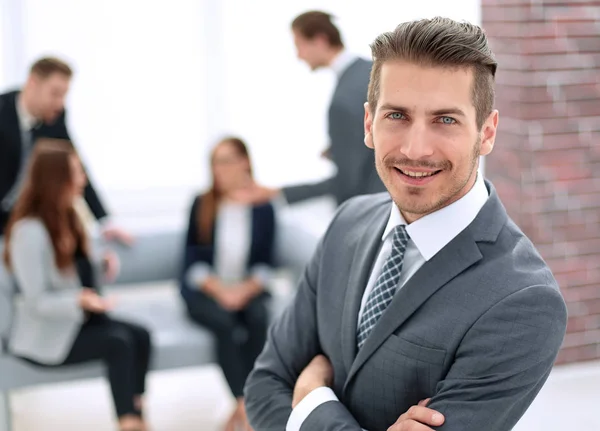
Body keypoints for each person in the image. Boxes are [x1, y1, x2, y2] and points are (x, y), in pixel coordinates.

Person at [244, 17, 567, 431]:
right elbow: (264, 385)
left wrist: (310, 403)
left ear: (486, 133)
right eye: (396, 115)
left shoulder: (524, 300)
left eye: (446, 120)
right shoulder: (348, 223)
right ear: (369, 124)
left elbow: (288, 393)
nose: (416, 149)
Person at [3, 139, 151, 431]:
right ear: (56, 179)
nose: (83, 180)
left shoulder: (68, 216)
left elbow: (74, 271)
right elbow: (37, 302)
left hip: (80, 321)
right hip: (48, 335)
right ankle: (129, 423)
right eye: (77, 173)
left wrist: (100, 264)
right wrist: (80, 301)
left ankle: (136, 412)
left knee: (141, 336)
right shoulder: (28, 232)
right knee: (118, 343)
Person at [237, 10, 385, 207]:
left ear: (320, 40)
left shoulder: (343, 100)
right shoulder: (374, 70)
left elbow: (347, 182)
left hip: (372, 208)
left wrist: (278, 193)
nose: (298, 55)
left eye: (299, 45)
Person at [179, 137, 276, 431]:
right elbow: (190, 261)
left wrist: (245, 290)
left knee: (258, 317)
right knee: (226, 324)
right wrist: (219, 290)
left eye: (226, 161)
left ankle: (248, 404)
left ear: (244, 162)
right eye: (215, 163)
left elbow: (265, 261)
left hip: (245, 288)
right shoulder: (203, 203)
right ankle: (245, 405)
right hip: (207, 288)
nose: (219, 170)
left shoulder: (262, 206)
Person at [0, 56, 132, 244]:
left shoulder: (55, 117)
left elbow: (74, 165)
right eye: (55, 93)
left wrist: (104, 220)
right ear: (32, 83)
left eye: (64, 95)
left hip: (22, 221)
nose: (60, 103)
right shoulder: (2, 110)